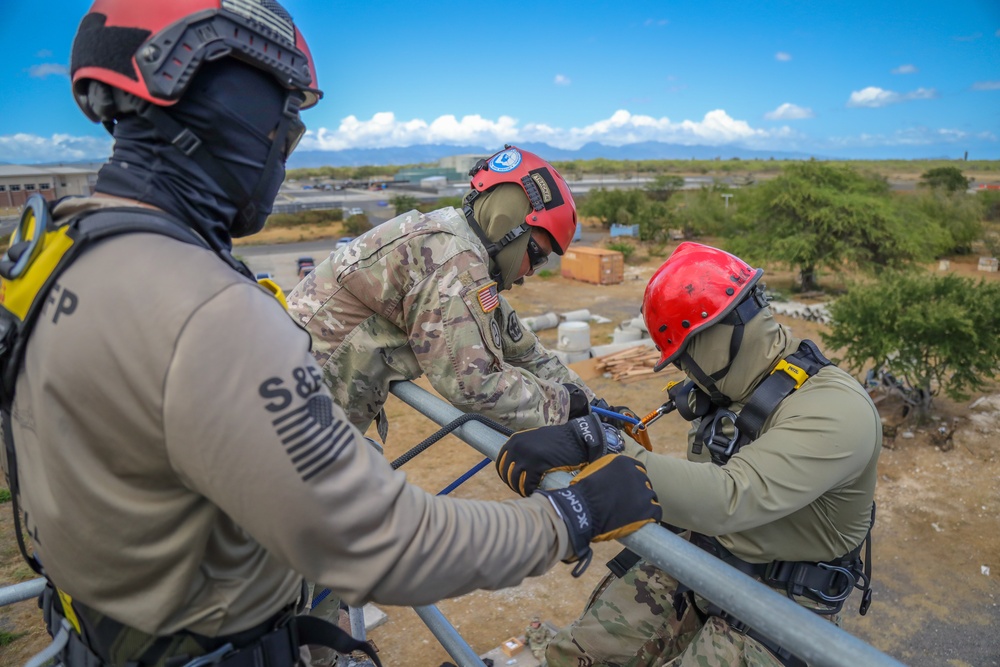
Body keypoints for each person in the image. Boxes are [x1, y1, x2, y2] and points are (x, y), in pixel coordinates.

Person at [0, 3, 664, 666]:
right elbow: (385, 540)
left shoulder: (60, 249)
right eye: (283, 124)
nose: (285, 152)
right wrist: (572, 515)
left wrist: (577, 396)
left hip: (96, 626)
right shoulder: (210, 315)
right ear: (224, 104)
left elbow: (511, 337)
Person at [493, 242, 881, 667]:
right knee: (581, 655)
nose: (686, 375)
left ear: (713, 335)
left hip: (785, 603)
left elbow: (730, 497)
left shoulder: (834, 409)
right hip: (704, 559)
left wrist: (599, 445)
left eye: (683, 358)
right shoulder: (739, 392)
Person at [287, 145, 600, 444]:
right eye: (536, 254)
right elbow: (475, 386)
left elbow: (523, 350)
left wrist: (594, 403)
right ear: (509, 225)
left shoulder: (459, 244)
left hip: (302, 400)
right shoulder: (450, 258)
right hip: (295, 415)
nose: (533, 271)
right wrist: (564, 406)